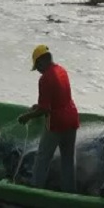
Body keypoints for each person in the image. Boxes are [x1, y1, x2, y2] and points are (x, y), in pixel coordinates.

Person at [18, 45, 80, 193]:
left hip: (57, 122)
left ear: (42, 61)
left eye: (37, 66)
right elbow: (56, 98)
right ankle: (69, 192)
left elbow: (45, 109)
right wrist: (38, 106)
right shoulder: (62, 70)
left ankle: (35, 188)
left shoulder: (45, 78)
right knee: (68, 159)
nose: (38, 70)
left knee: (43, 157)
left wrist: (27, 116)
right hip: (72, 118)